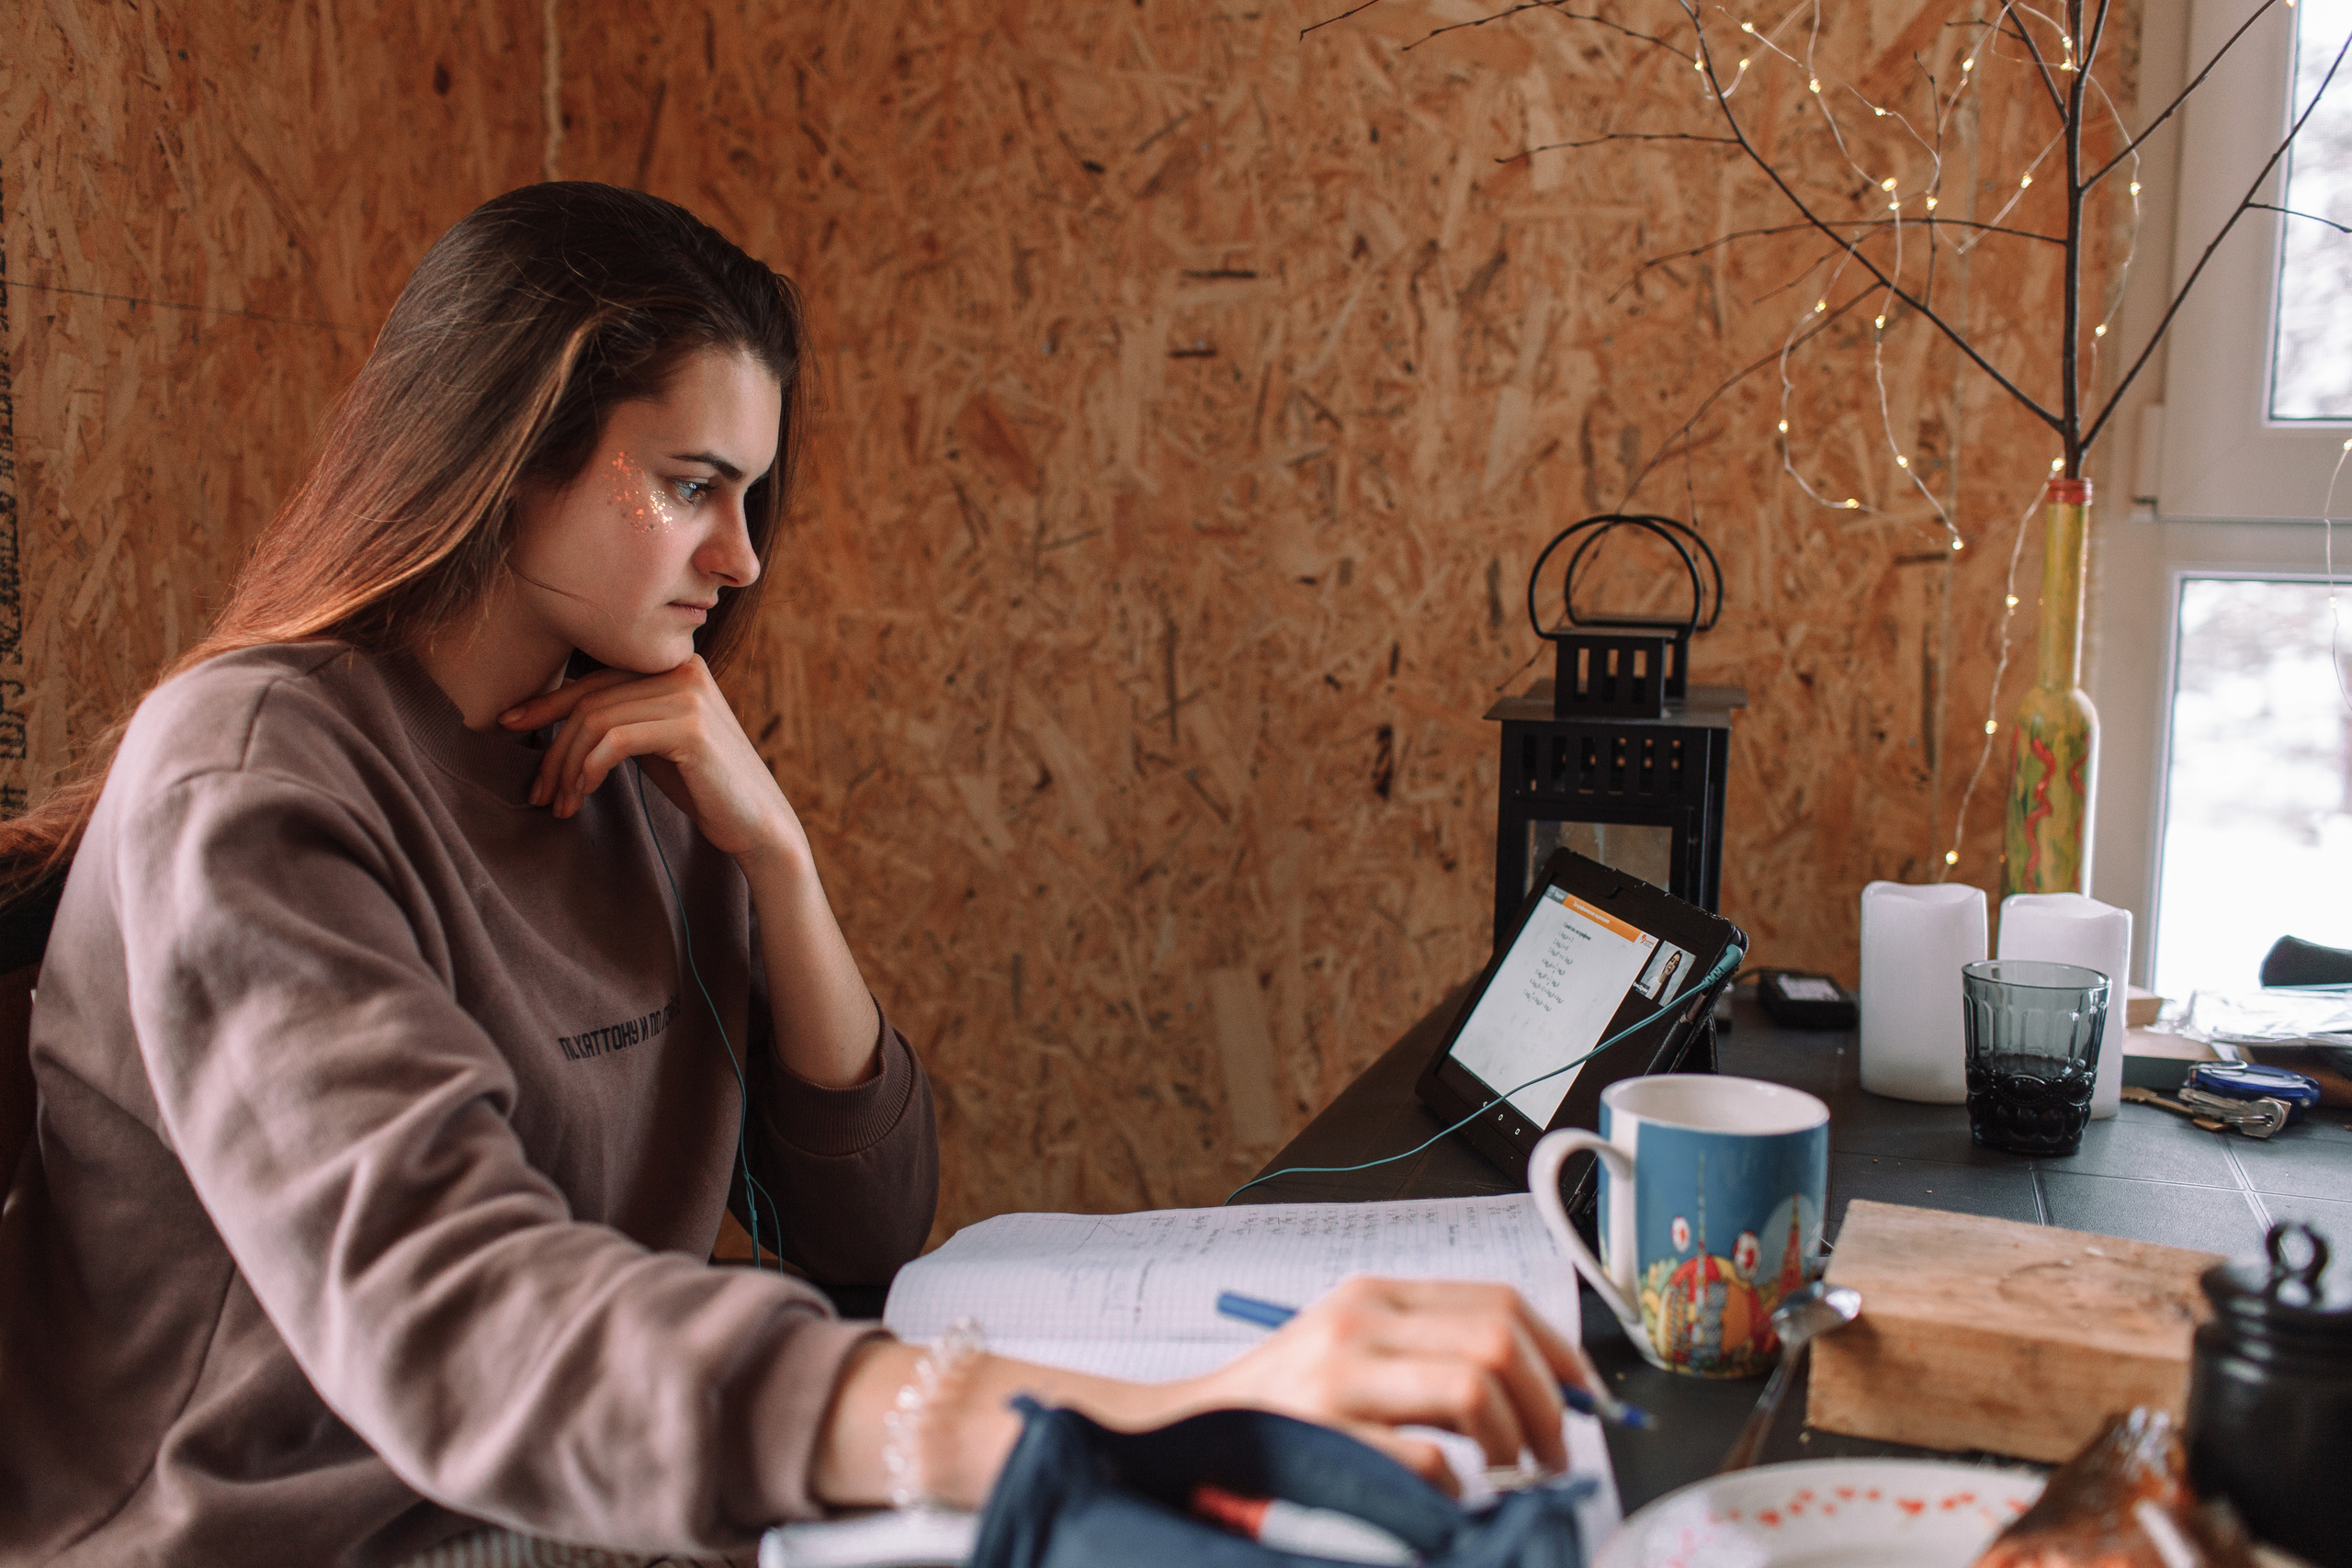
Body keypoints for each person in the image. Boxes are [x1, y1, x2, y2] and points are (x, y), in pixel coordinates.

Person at [0, 184, 1591, 1567]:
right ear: (504, 458)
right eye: (692, 485)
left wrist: (778, 859)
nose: (742, 558)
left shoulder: (634, 757)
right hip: (317, 1535)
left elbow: (865, 1235)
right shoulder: (255, 776)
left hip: (616, 1491)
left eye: (750, 495)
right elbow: (466, 1330)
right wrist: (1119, 1417)